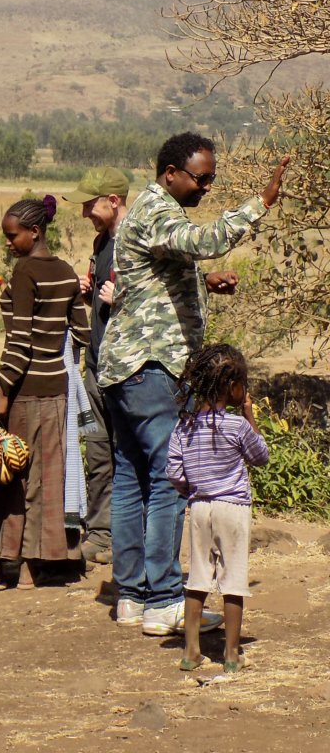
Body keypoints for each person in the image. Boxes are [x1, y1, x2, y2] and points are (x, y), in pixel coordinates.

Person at [96, 131, 289, 635]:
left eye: (212, 179)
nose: (207, 187)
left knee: (131, 478)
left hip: (125, 367)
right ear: (171, 174)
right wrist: (260, 203)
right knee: (167, 480)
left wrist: (204, 284)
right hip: (151, 368)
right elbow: (205, 240)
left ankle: (132, 596)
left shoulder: (152, 212)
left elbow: (153, 281)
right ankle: (163, 599)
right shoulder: (158, 212)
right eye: (201, 178)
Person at [0, 197, 91, 589]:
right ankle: (42, 565)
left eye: (12, 235)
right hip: (58, 388)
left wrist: (2, 390)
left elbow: (19, 339)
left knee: (10, 475)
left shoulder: (25, 272)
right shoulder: (67, 272)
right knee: (47, 477)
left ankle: (8, 564)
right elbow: (83, 332)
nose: (8, 243)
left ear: (34, 232)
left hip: (24, 390)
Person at [167, 344, 268, 673]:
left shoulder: (184, 427)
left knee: (197, 578)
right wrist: (250, 414)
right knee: (233, 580)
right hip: (233, 508)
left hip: (199, 508)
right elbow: (260, 456)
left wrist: (192, 491)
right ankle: (230, 654)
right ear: (233, 387)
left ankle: (191, 652)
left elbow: (174, 472)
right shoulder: (237, 426)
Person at [62, 167, 130, 565]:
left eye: (91, 203)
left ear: (113, 201)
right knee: (99, 454)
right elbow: (103, 306)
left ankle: (124, 535)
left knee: (128, 453)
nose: (86, 211)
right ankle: (101, 534)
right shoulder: (102, 242)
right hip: (97, 362)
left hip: (125, 368)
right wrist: (90, 292)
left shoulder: (136, 243)